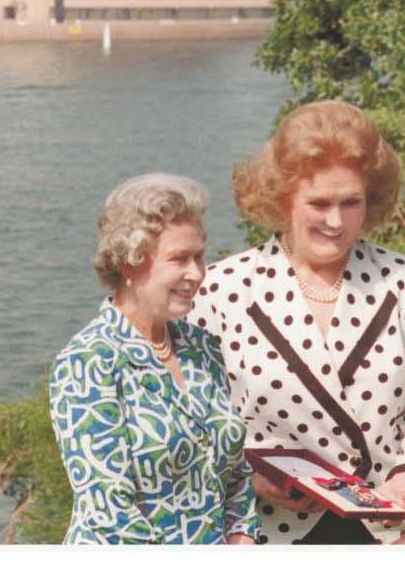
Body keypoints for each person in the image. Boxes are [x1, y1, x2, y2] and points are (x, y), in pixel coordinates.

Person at [196, 100, 405, 545]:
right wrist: (254, 481)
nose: (336, 221)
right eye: (319, 203)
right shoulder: (221, 291)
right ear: (283, 198)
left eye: (350, 202)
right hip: (266, 536)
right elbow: (194, 430)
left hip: (387, 534)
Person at [49, 174, 261, 544]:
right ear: (130, 264)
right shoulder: (87, 363)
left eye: (199, 256)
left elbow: (235, 471)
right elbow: (109, 511)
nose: (196, 273)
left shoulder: (202, 346)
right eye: (180, 259)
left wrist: (243, 534)